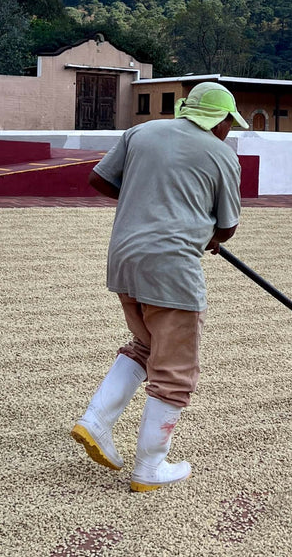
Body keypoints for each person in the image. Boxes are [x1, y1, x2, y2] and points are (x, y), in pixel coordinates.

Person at [72, 81, 247, 492]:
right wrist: (203, 231)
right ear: (219, 120)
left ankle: (96, 420)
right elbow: (228, 227)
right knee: (175, 370)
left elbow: (100, 179)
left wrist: (148, 203)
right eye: (229, 123)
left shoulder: (141, 132)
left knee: (147, 345)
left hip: (126, 260)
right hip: (172, 269)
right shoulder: (222, 155)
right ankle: (150, 468)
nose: (229, 131)